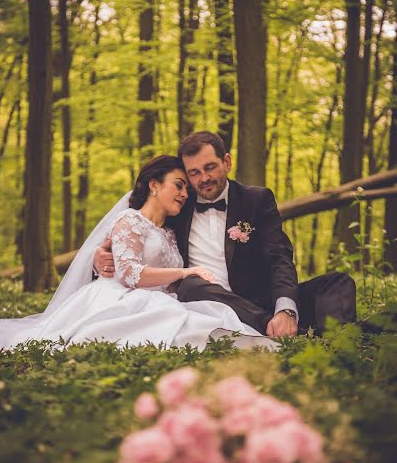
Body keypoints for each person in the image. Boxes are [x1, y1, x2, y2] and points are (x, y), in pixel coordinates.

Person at [0, 155, 279, 352]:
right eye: (178, 185)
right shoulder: (129, 220)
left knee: (202, 316)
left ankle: (252, 344)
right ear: (154, 185)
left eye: (185, 187)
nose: (184, 193)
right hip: (121, 296)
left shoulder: (170, 232)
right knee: (170, 324)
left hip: (160, 297)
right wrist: (185, 272)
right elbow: (130, 272)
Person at [95, 132, 357, 337]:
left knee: (338, 282)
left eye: (210, 167)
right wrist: (100, 257)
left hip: (263, 299)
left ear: (227, 162)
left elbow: (279, 257)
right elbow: (134, 232)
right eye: (194, 173)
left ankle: (333, 338)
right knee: (191, 285)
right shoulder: (178, 207)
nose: (203, 178)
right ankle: (274, 329)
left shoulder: (256, 199)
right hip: (208, 299)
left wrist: (286, 309)